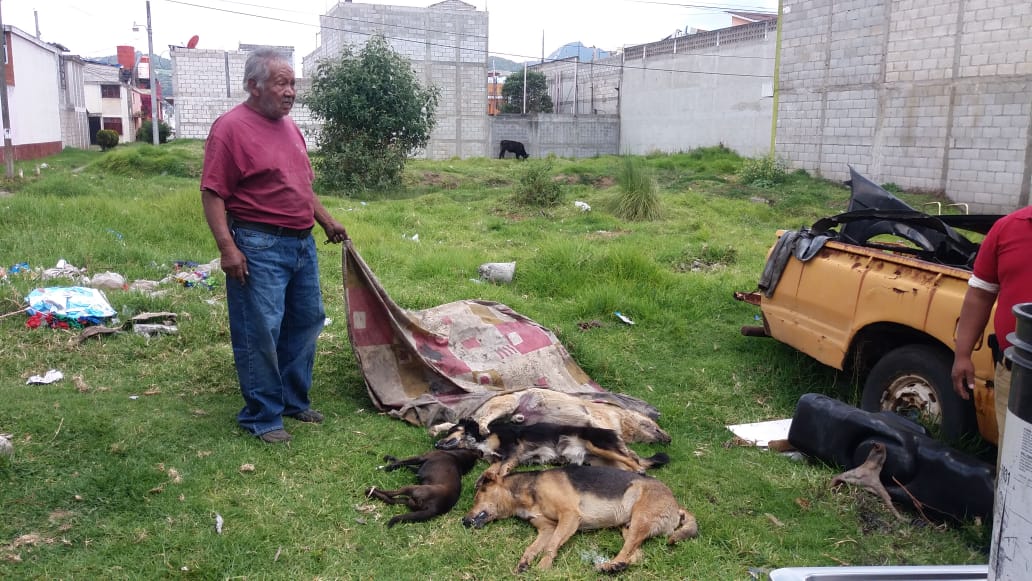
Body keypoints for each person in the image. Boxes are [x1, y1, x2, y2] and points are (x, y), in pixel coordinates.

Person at [200, 47, 348, 443]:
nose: (290, 92)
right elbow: (213, 192)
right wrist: (227, 248)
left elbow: (301, 186)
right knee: (260, 329)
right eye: (281, 83)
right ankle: (262, 415)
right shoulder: (230, 128)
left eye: (293, 84)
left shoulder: (289, 127)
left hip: (301, 243)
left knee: (306, 321)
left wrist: (327, 221)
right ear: (254, 86)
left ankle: (292, 401)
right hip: (258, 244)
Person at [951, 205, 1032, 445]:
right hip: (1015, 375)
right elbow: (980, 294)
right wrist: (963, 353)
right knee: (1013, 455)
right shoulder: (1008, 228)